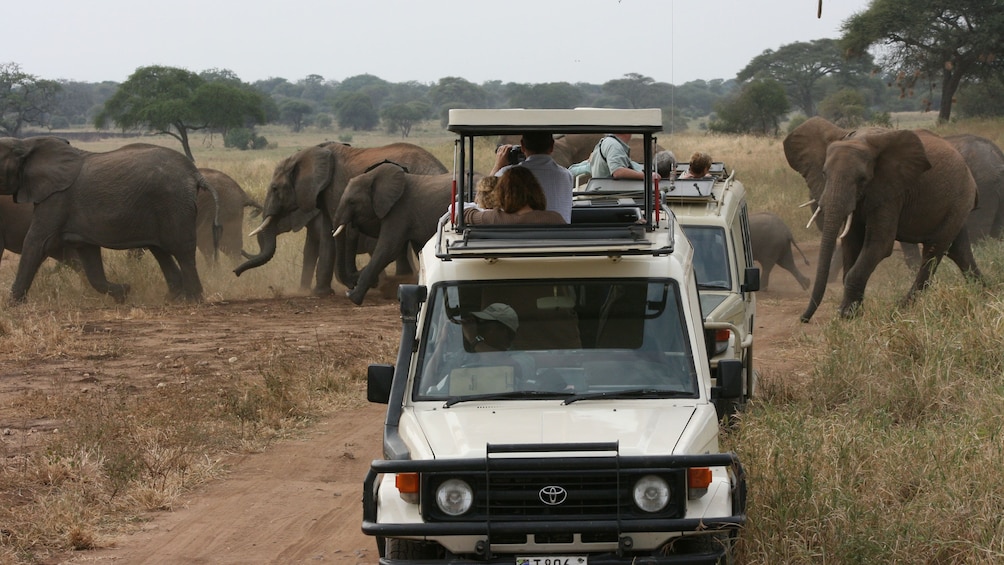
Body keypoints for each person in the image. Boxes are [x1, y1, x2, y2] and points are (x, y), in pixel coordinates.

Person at [492, 132, 574, 222]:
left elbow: (484, 198)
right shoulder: (566, 175)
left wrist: (498, 164)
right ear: (552, 146)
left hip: (522, 234)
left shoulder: (507, 174)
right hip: (560, 235)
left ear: (522, 146)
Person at [464, 167, 566, 225]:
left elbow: (462, 214)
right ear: (537, 191)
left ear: (502, 193)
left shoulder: (494, 218)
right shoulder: (554, 219)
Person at [589, 133, 661, 182]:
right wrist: (646, 176)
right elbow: (617, 171)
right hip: (611, 194)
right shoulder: (614, 146)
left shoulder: (606, 142)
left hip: (603, 187)